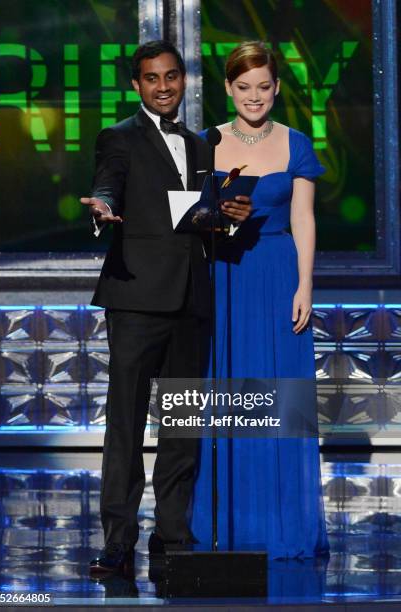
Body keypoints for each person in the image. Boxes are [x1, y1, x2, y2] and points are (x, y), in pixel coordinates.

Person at [80, 40, 252, 573]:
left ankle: (172, 532)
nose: (163, 86)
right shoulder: (119, 138)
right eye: (151, 78)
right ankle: (118, 539)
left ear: (183, 81)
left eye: (171, 76)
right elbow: (107, 185)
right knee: (127, 424)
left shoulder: (203, 148)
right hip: (135, 298)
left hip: (190, 298)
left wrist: (231, 215)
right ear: (137, 85)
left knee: (181, 424)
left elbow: (202, 220)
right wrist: (103, 207)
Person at [191, 41, 329, 559]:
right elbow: (188, 222)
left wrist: (305, 285)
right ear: (228, 88)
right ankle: (221, 525)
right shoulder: (204, 144)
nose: (255, 97)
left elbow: (303, 219)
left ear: (276, 87)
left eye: (264, 87)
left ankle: (282, 528)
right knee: (223, 398)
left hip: (277, 278)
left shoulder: (295, 143)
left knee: (280, 401)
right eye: (244, 87)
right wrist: (220, 217)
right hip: (222, 278)